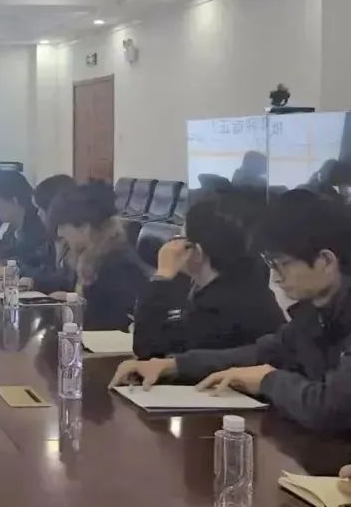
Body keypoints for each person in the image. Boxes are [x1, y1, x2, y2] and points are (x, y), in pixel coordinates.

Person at [110, 190, 351, 434]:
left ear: (326, 261)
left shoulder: (237, 299)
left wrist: (268, 379)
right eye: (272, 265)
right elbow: (262, 352)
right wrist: (174, 365)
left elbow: (331, 407)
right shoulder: (312, 314)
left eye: (283, 264)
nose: (277, 278)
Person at [132, 190, 285, 359]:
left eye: (181, 237)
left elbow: (146, 347)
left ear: (197, 251)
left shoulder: (218, 307)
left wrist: (163, 274)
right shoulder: (247, 283)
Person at [49, 183, 150, 330]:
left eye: (63, 226)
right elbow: (63, 281)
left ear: (84, 227)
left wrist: (72, 306)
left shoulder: (119, 265)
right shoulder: (85, 255)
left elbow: (115, 321)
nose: (59, 232)